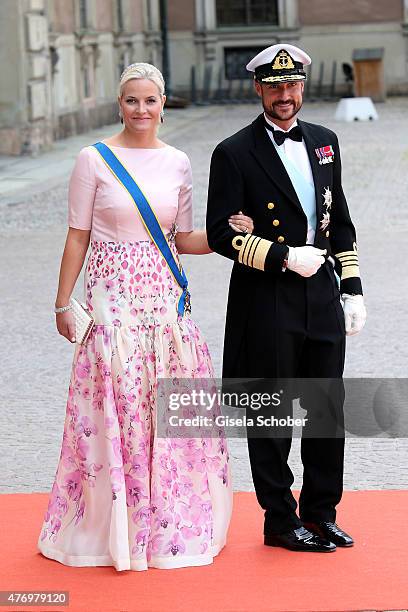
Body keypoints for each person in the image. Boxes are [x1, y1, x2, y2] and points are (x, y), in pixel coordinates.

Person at [37, 62, 254, 571]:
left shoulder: (178, 162)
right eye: (132, 101)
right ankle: (115, 527)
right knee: (122, 411)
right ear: (120, 104)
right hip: (113, 304)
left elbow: (182, 240)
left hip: (163, 303)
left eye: (150, 100)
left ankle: (166, 525)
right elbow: (77, 235)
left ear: (163, 103)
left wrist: (227, 232)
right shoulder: (93, 159)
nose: (141, 110)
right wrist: (64, 303)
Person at [206, 44, 367, 553]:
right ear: (258, 89)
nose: (285, 96)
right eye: (274, 87)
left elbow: (337, 218)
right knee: (272, 414)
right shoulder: (233, 151)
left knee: (325, 409)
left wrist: (353, 288)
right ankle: (279, 519)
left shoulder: (325, 141)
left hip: (320, 290)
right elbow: (218, 233)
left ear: (302, 87)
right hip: (267, 295)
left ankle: (322, 513)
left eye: (292, 86)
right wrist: (279, 255)